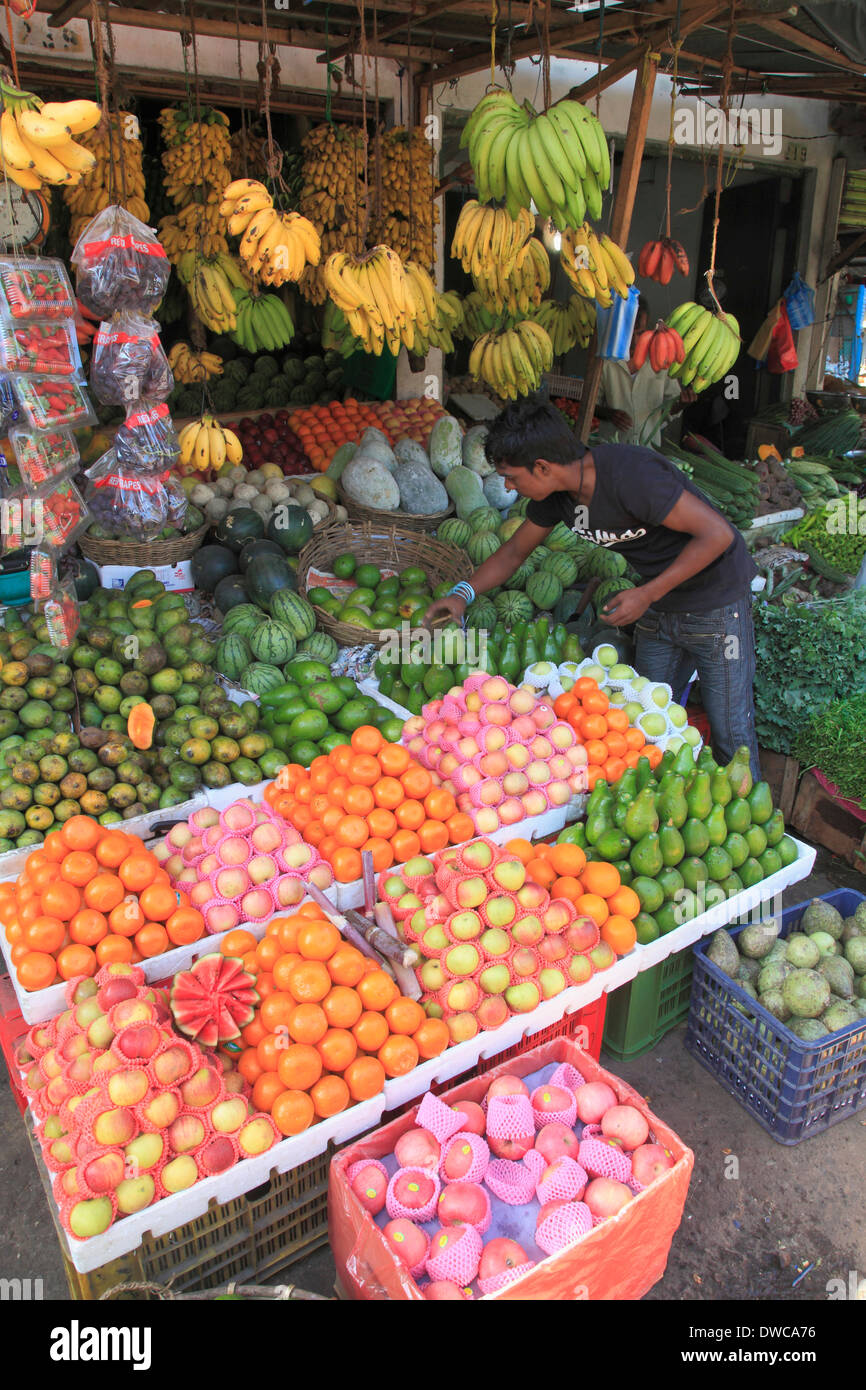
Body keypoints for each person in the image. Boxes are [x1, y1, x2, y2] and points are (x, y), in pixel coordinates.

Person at [426, 395, 760, 775]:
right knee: (638, 728)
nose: (508, 485)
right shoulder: (557, 497)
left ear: (542, 467)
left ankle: (754, 827)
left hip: (715, 604)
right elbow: (513, 553)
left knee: (731, 733)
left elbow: (719, 535)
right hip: (659, 604)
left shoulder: (632, 476)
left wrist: (647, 593)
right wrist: (461, 594)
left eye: (512, 476)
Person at [595, 295, 697, 450]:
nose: (635, 341)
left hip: (648, 449)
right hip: (612, 449)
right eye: (629, 334)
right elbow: (591, 405)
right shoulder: (606, 361)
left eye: (640, 333)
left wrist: (681, 404)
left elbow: (670, 408)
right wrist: (610, 414)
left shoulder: (661, 359)